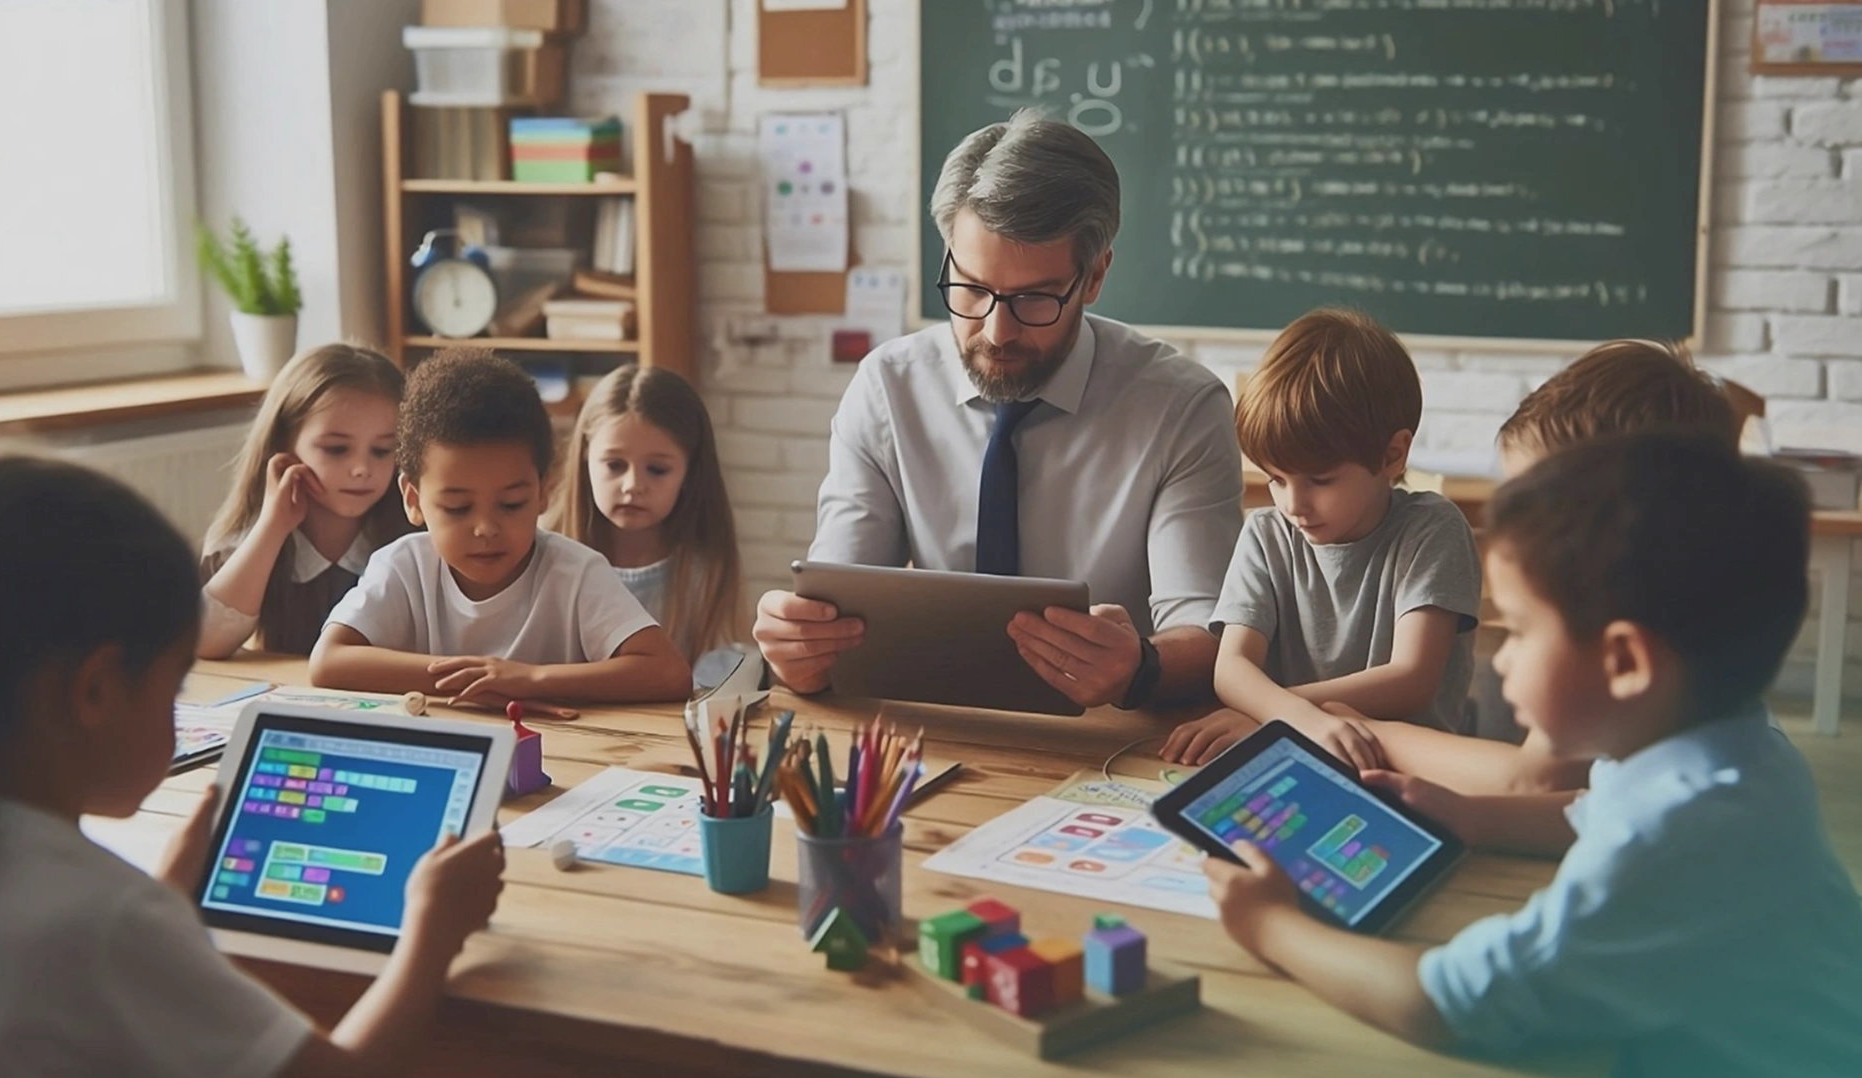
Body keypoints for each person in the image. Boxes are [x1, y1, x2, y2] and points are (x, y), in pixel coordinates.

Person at [1203, 433, 1862, 1078]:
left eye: (1518, 631)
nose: (1504, 659)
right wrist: (1473, 816)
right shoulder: (1736, 748)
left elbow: (1447, 1003)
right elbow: (1594, 807)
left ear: (1625, 661)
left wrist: (1270, 925)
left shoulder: (1667, 840)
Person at [0, 456, 505, 1078]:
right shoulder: (107, 923)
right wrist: (432, 930)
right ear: (96, 691)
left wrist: (165, 903)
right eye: (176, 680)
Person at [753, 109, 1245, 711]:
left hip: (1113, 739)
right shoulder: (888, 388)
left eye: (1034, 298)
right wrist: (799, 651)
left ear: (1095, 277)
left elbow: (1212, 638)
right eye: (971, 288)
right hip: (934, 728)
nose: (996, 330)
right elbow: (833, 608)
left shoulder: (1182, 407)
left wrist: (1142, 667)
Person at [1333, 340, 1744, 796]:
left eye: (1536, 506)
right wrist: (1472, 820)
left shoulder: (1621, 634)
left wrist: (1363, 730)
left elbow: (1535, 778)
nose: (1518, 527)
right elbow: (1584, 808)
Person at [1162, 309, 1480, 769]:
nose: (1294, 504)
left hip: (1406, 769)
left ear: (1393, 455)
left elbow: (1413, 679)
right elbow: (1231, 671)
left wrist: (1276, 716)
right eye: (1276, 478)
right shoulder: (1267, 534)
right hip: (1291, 759)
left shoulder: (1433, 528)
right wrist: (1291, 719)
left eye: (1321, 480)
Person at [309, 349, 690, 706]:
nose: (486, 528)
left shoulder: (575, 572)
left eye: (511, 504)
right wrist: (480, 680)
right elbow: (329, 661)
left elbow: (668, 672)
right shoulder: (404, 567)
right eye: (457, 508)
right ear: (413, 499)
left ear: (544, 492)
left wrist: (530, 679)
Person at [199, 344, 409, 657]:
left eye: (382, 451)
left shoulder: (413, 541)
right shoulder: (248, 540)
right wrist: (272, 526)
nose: (362, 469)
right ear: (283, 442)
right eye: (336, 449)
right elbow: (207, 642)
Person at [548, 363, 746, 690]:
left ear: (689, 472)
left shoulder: (703, 571)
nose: (632, 485)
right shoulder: (541, 549)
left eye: (656, 469)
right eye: (614, 465)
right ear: (585, 456)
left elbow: (716, 680)